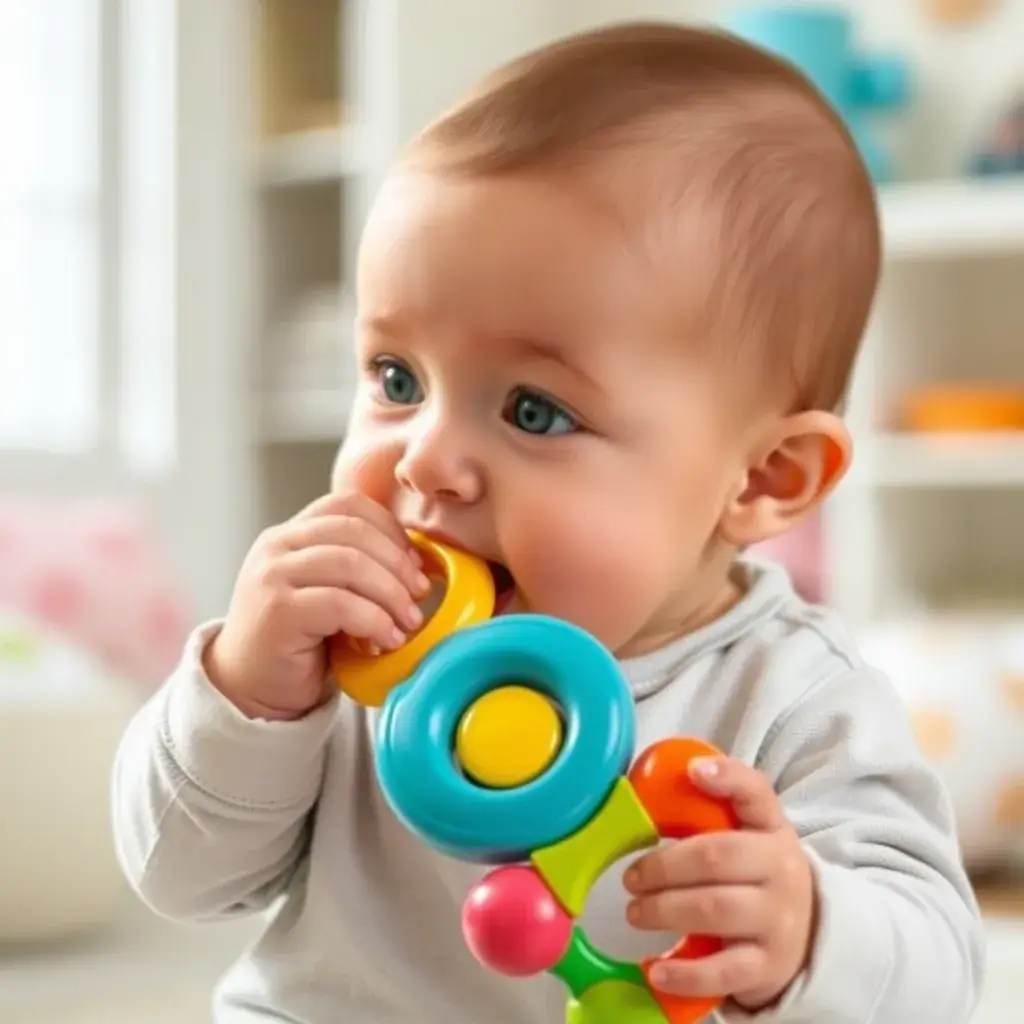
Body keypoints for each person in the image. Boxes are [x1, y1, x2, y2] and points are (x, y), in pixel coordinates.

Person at [111, 22, 984, 1024]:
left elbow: (940, 976)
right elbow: (179, 881)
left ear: (762, 477)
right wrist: (245, 698)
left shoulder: (792, 699)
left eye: (534, 410)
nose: (424, 459)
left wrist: (808, 928)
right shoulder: (339, 651)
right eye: (397, 380)